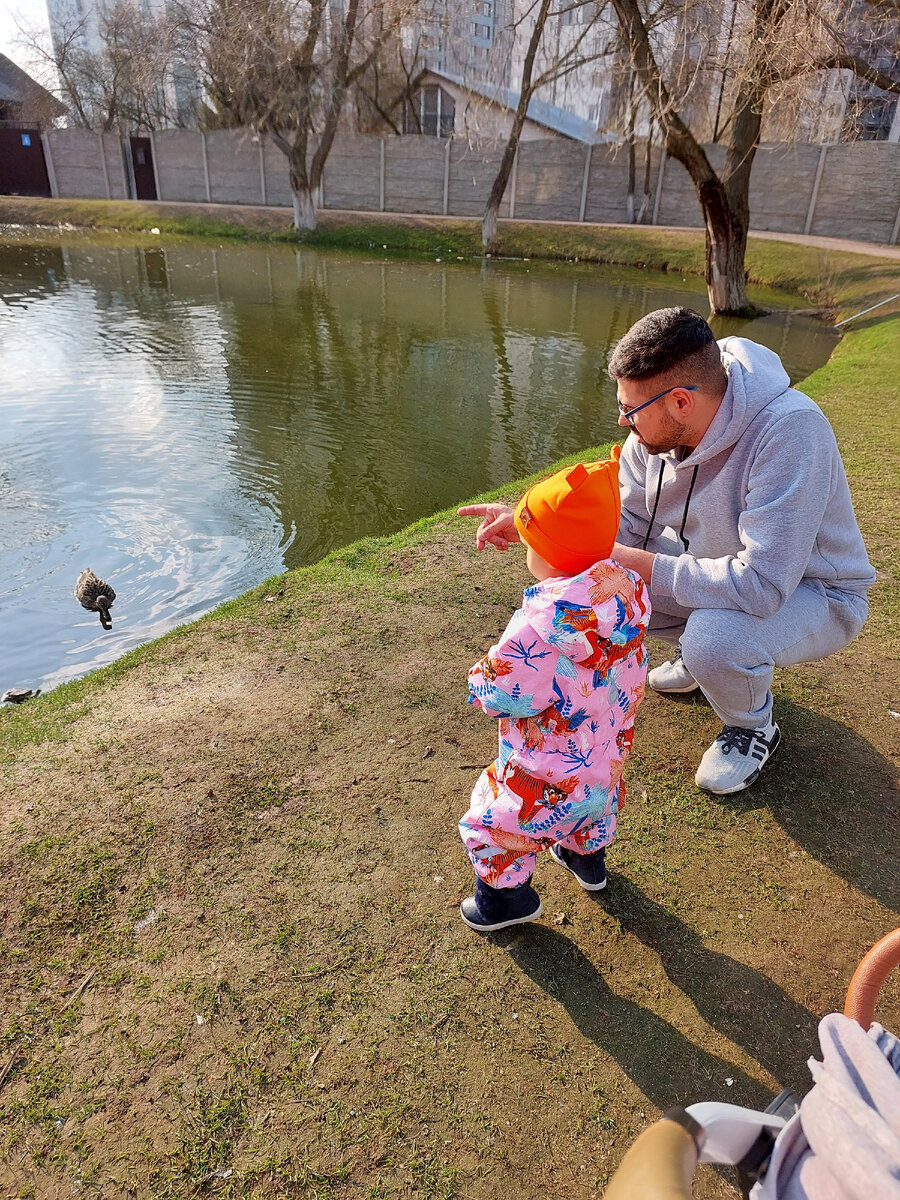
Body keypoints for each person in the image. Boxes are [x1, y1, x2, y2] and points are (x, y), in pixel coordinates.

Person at [460, 307, 874, 796]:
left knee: (713, 638)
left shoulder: (789, 431)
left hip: (812, 591)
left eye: (631, 410)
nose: (622, 420)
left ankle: (752, 725)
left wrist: (628, 564)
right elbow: (626, 523)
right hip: (721, 570)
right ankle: (701, 663)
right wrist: (536, 526)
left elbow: (762, 587)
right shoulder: (652, 436)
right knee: (587, 588)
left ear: (680, 401)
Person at [458, 449, 650, 932]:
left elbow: (502, 689)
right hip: (601, 758)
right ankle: (586, 860)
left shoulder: (540, 629)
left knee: (494, 826)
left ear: (544, 554)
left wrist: (478, 683)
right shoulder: (626, 598)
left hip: (544, 772)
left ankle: (506, 903)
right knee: (592, 809)